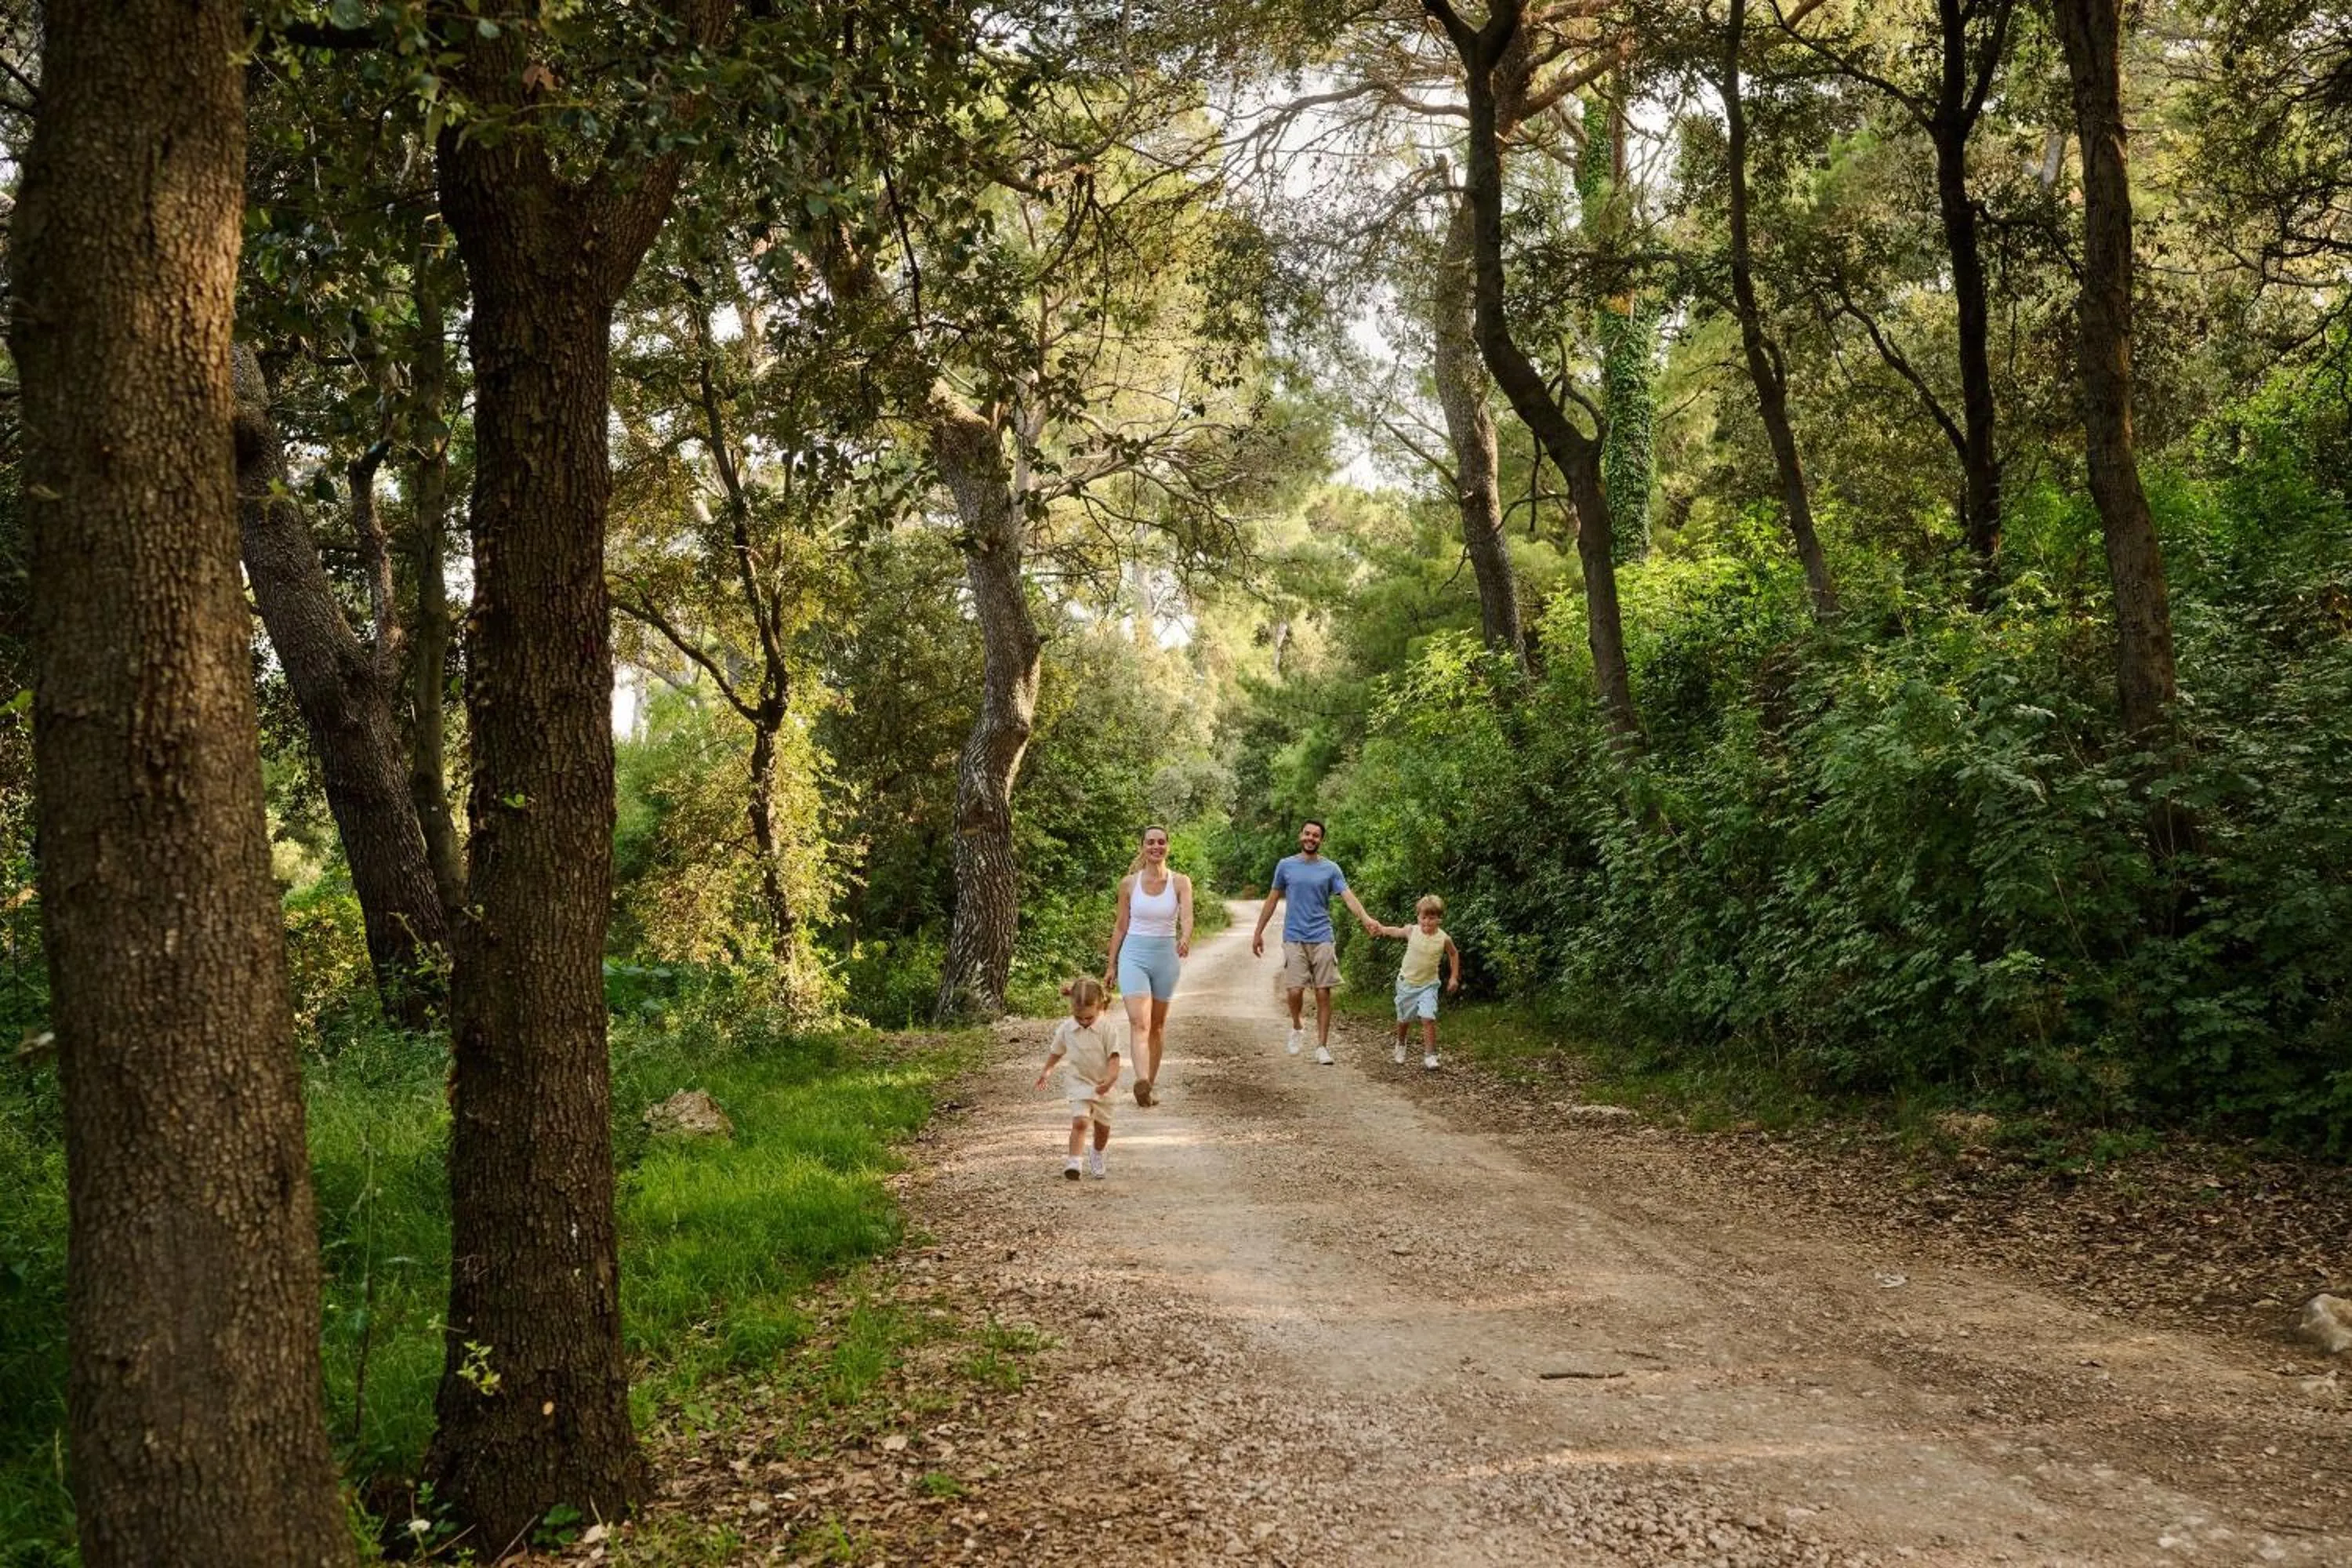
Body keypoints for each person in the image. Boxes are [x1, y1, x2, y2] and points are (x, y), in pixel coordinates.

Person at [1250, 818, 1378, 1065]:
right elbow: (1272, 899)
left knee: (1323, 992)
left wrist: (1366, 918)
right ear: (1301, 836)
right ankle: (1297, 1025)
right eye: (1307, 834)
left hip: (1322, 936)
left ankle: (1322, 1047)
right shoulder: (1285, 866)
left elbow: (1348, 896)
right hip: (1294, 936)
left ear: (1321, 840)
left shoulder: (1331, 869)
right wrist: (1258, 932)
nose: (1311, 838)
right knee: (1295, 990)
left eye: (1316, 836)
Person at [1102, 824, 1192, 1107]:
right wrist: (1111, 965)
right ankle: (1141, 1079)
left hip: (1165, 957)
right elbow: (1120, 926)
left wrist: (1186, 937)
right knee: (1138, 1022)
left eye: (1161, 842)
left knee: (1157, 1025)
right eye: (1150, 842)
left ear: (1168, 846)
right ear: (1142, 846)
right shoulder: (1128, 884)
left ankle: (1149, 1087)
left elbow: (1187, 917)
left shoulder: (1181, 882)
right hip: (1134, 955)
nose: (1156, 847)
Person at [1035, 976, 1120, 1180]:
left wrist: (1109, 1080)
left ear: (1100, 1007)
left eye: (1089, 1018)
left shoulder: (1108, 1029)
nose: (1083, 1022)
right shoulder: (1066, 1028)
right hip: (1078, 1081)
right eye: (1078, 1017)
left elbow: (1114, 1058)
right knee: (1080, 1122)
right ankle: (1074, 1161)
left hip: (1103, 1084)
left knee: (1102, 1129)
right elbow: (1057, 1051)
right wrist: (1047, 1070)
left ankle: (1097, 1152)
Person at [1367, 895, 1462, 1070]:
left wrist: (1454, 977)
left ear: (1439, 919)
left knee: (1428, 1017)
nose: (1427, 921)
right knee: (1404, 1019)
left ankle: (1430, 1055)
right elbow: (1395, 931)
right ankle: (1401, 1044)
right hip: (1407, 984)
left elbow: (1454, 954)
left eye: (1431, 918)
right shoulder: (1413, 931)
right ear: (1418, 917)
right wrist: (1380, 929)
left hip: (1429, 985)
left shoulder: (1444, 939)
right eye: (1423, 917)